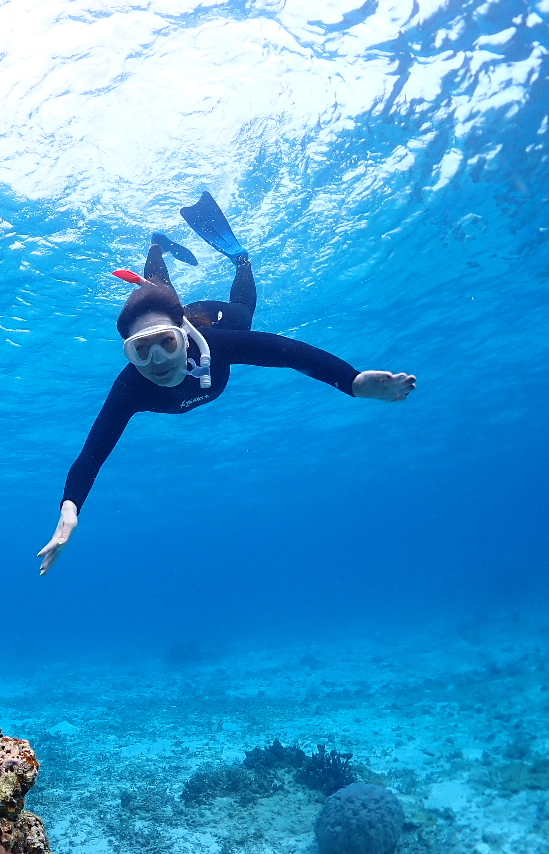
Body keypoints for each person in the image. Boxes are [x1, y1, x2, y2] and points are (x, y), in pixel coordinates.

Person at [37, 192, 416, 575]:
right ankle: (157, 245)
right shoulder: (131, 387)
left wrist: (352, 381)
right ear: (129, 354)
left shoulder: (218, 345)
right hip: (177, 314)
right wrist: (70, 508)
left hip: (209, 316)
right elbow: (92, 454)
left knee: (243, 316)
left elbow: (287, 352)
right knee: (156, 290)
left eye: (166, 342)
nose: (157, 362)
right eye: (140, 350)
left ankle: (241, 258)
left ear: (183, 337)